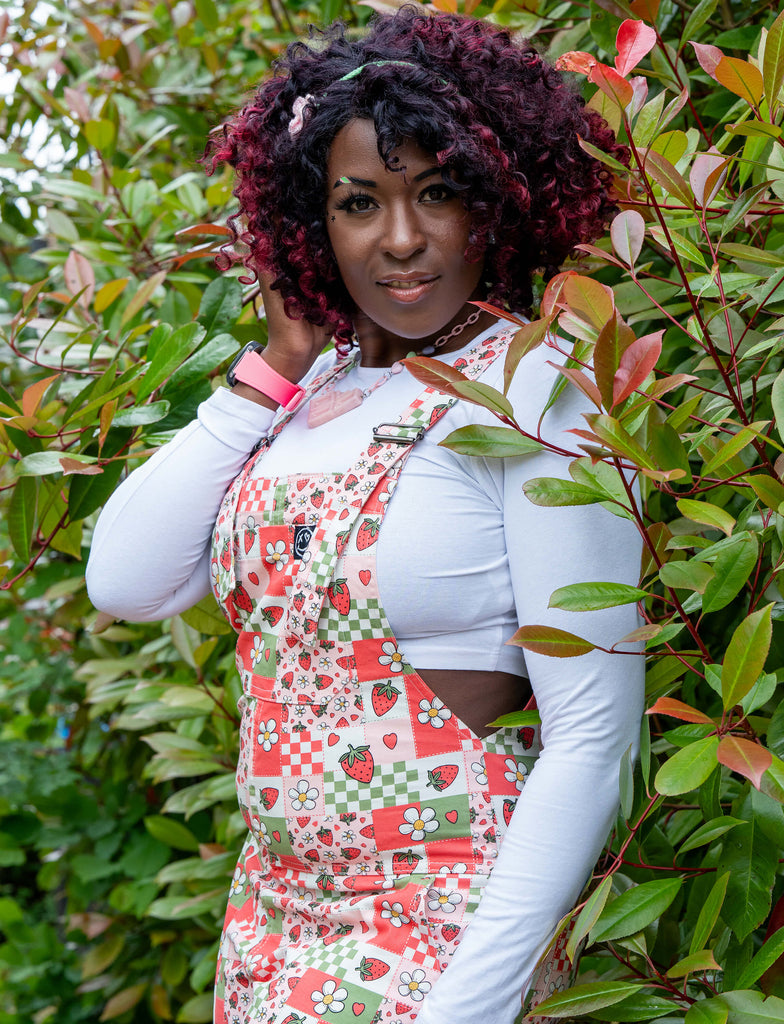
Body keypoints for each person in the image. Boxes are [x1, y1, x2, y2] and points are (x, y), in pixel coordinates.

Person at [87, 9, 644, 1024]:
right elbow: (124, 582)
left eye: (437, 192)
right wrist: (274, 369)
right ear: (314, 221)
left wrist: (468, 1006)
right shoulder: (305, 398)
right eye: (359, 202)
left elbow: (592, 740)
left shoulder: (535, 388)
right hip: (269, 933)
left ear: (497, 200)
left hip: (444, 937)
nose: (400, 238)